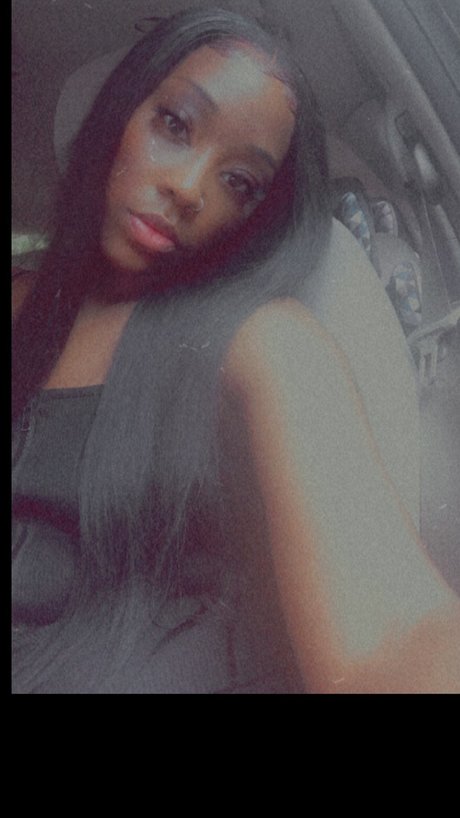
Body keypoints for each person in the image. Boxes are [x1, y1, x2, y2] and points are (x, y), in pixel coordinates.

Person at [12, 7, 460, 694]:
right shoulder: (21, 295)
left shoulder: (264, 343)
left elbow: (392, 633)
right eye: (174, 125)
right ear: (120, 112)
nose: (188, 188)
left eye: (239, 182)